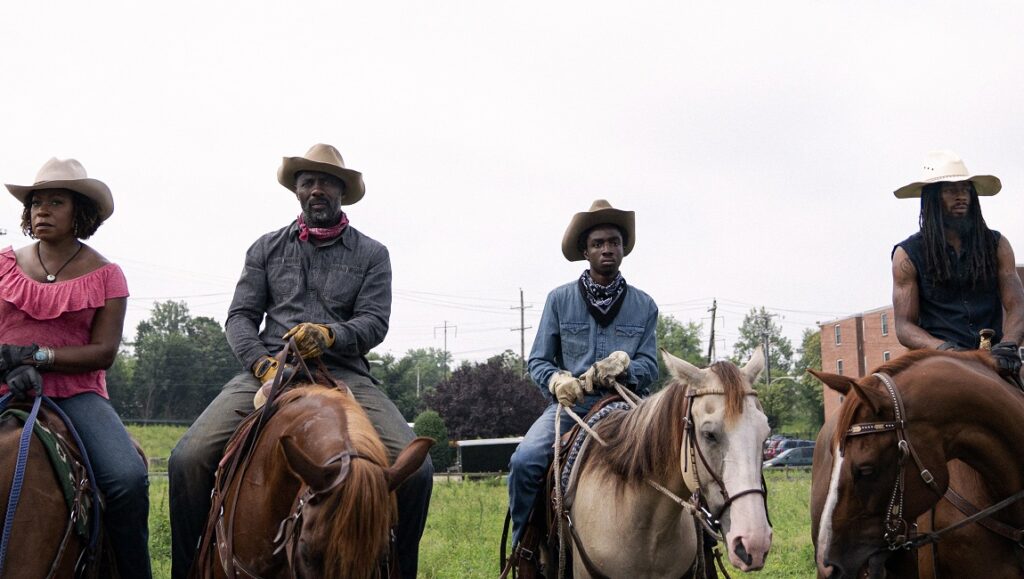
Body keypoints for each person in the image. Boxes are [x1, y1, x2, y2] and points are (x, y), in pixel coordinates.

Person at [167, 143, 433, 579]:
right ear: (296, 191)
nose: (316, 189)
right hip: (270, 368)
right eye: (307, 181)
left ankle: (398, 570)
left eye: (327, 182)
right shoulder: (265, 248)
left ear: (342, 192)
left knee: (415, 471)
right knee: (187, 458)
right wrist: (261, 365)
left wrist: (331, 334)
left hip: (343, 371)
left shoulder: (372, 254)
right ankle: (188, 569)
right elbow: (240, 318)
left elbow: (374, 322)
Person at [0, 158, 151, 578]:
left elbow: (103, 351)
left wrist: (38, 357)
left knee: (126, 478)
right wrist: (7, 364)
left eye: (55, 202)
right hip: (3, 384)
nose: (41, 211)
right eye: (35, 203)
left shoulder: (107, 276)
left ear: (79, 212)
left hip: (77, 394)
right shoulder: (3, 265)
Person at [506, 199, 659, 558]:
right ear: (585, 251)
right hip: (571, 408)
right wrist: (558, 381)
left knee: (682, 457)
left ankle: (701, 546)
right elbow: (538, 360)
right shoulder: (559, 300)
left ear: (623, 249)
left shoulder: (645, 305)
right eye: (598, 244)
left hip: (628, 407)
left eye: (614, 243)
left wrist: (628, 366)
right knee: (524, 461)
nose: (608, 249)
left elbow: (651, 367)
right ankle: (525, 550)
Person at [891, 150, 1024, 380]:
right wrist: (947, 350)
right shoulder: (907, 254)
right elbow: (904, 326)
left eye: (965, 189)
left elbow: (1018, 306)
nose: (961, 196)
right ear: (932, 198)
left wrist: (1009, 345)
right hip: (939, 361)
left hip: (996, 359)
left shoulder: (998, 245)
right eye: (951, 190)